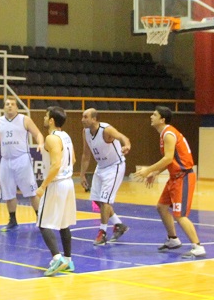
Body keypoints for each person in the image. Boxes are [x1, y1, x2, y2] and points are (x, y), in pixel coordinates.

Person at [134, 106, 206, 259]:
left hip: (183, 177)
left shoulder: (168, 134)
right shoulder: (164, 134)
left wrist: (148, 170)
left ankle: (198, 247)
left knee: (180, 215)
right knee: (161, 207)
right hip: (174, 177)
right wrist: (155, 173)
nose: (151, 116)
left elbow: (167, 158)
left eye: (154, 115)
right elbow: (170, 160)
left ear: (162, 119)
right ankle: (173, 239)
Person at [0, 99, 44, 232]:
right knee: (8, 192)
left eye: (12, 104)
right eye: (7, 104)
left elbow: (38, 134)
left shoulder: (25, 119)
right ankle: (12, 221)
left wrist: (40, 143)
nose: (10, 106)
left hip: (22, 159)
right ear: (4, 108)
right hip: (6, 160)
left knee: (31, 191)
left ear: (17, 107)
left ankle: (40, 218)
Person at [79, 108, 131, 245]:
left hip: (115, 166)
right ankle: (119, 224)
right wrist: (82, 174)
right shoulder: (85, 132)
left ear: (94, 119)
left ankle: (102, 233)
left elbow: (123, 137)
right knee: (97, 200)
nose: (82, 120)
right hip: (101, 166)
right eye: (82, 117)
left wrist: (127, 145)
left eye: (85, 117)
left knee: (105, 200)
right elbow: (86, 154)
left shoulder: (106, 130)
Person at [38, 106, 77, 277]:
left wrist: (43, 186)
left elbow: (55, 165)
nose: (44, 118)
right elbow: (73, 159)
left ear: (52, 120)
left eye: (46, 116)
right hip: (68, 182)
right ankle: (68, 260)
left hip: (56, 183)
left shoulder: (51, 138)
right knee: (63, 224)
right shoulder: (66, 136)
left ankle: (57, 258)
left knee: (43, 223)